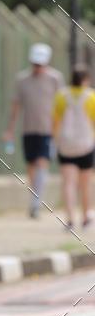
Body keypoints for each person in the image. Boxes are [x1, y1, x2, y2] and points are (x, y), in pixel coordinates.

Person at [4, 43, 64, 218]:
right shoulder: (22, 80)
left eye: (41, 64)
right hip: (28, 129)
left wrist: (59, 129)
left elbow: (60, 106)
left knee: (42, 162)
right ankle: (34, 198)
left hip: (48, 129)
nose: (38, 67)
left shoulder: (55, 79)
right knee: (31, 165)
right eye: (35, 63)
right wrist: (10, 130)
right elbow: (16, 106)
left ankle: (36, 203)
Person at [53, 65, 95, 230]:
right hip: (85, 145)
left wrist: (55, 139)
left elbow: (55, 121)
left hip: (66, 145)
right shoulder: (91, 96)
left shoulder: (61, 96)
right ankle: (86, 217)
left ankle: (69, 219)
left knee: (68, 183)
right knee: (85, 184)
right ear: (85, 80)